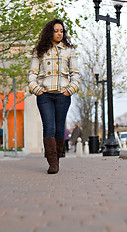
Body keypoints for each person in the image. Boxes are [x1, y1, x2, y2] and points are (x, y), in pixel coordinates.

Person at [28, 19, 80, 174]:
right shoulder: (40, 50)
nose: (59, 33)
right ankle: (53, 164)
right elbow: (32, 74)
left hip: (63, 95)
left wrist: (70, 89)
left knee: (59, 129)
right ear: (50, 32)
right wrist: (36, 89)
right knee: (49, 127)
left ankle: (56, 159)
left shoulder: (69, 50)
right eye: (56, 30)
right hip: (44, 95)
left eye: (61, 31)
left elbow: (75, 74)